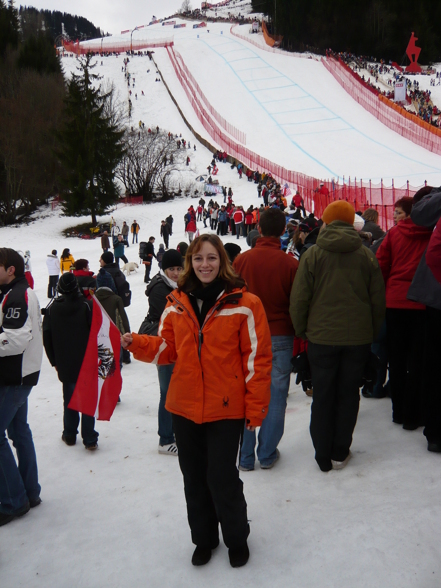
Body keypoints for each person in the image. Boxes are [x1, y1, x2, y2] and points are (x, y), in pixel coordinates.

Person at [122, 235, 272, 568]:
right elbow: (166, 348)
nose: (205, 265)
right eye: (199, 258)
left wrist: (256, 406)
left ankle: (236, 537)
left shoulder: (246, 303)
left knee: (221, 476)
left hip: (225, 407)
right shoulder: (176, 302)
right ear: (191, 263)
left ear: (222, 262)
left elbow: (257, 360)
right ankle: (204, 538)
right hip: (184, 406)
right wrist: (136, 343)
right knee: (193, 476)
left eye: (212, 258)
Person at [290, 201, 385, 472]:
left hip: (320, 337)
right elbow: (377, 301)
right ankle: (340, 451)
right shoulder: (366, 255)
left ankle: (322, 453)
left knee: (322, 394)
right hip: (357, 339)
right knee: (348, 394)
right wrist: (372, 332)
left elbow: (300, 299)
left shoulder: (313, 254)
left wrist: (302, 330)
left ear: (327, 222)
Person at [233, 208, 298, 471]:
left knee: (245, 391)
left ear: (258, 229)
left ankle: (246, 456)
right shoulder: (291, 264)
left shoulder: (241, 261)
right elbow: (297, 302)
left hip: (246, 334)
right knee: (276, 394)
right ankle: (268, 452)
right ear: (284, 230)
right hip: (280, 334)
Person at [376, 197, 432, 430]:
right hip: (421, 303)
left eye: (399, 212)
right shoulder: (430, 235)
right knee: (417, 359)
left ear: (409, 213)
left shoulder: (393, 234)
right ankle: (414, 413)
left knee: (396, 359)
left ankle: (398, 411)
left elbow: (381, 264)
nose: (396, 216)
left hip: (396, 302)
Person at [0, 248, 43, 526]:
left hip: (14, 379)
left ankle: (15, 501)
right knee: (19, 431)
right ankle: (29, 492)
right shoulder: (12, 293)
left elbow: (16, 339)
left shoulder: (18, 294)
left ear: (10, 269)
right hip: (18, 376)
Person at [43, 273, 99, 450]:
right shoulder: (87, 306)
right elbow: (96, 333)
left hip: (65, 363)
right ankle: (89, 438)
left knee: (69, 399)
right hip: (86, 361)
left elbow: (47, 337)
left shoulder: (52, 309)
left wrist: (54, 361)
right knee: (88, 399)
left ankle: (69, 434)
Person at [139, 249, 184, 455]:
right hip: (163, 344)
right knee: (167, 392)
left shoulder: (177, 285)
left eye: (179, 268)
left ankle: (174, 432)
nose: (175, 273)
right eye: (171, 269)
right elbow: (171, 317)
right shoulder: (160, 288)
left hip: (175, 344)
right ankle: (165, 440)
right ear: (164, 270)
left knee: (175, 391)